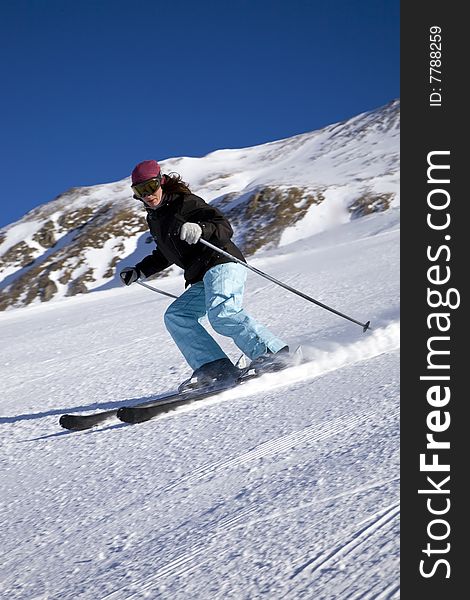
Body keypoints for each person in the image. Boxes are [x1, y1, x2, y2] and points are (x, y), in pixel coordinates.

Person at [120, 159, 289, 386]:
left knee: (223, 313)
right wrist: (139, 271)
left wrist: (201, 228)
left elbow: (222, 225)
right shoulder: (155, 218)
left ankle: (274, 355)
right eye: (140, 190)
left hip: (221, 262)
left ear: (161, 181)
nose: (147, 194)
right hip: (199, 275)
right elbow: (164, 253)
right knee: (177, 316)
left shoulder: (184, 202)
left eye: (150, 187)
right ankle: (216, 368)